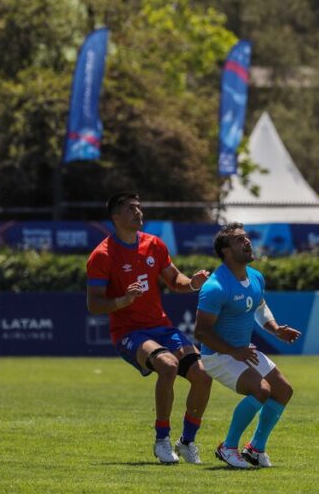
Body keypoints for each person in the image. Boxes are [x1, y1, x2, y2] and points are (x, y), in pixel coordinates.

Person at [86, 192, 213, 464]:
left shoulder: (154, 244)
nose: (138, 212)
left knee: (203, 374)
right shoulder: (102, 255)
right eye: (131, 208)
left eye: (139, 207)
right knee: (167, 366)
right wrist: (123, 300)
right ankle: (162, 440)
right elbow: (94, 305)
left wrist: (192, 282)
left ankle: (187, 442)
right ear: (116, 217)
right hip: (129, 333)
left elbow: (175, 280)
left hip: (161, 327)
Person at [195, 223, 301, 469]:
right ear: (226, 251)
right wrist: (234, 351)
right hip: (217, 356)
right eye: (239, 240)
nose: (248, 242)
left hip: (242, 352)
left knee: (283, 390)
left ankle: (255, 449)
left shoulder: (255, 276)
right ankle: (228, 447)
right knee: (261, 390)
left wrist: (275, 329)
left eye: (247, 238)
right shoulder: (215, 287)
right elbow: (201, 331)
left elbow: (260, 307)